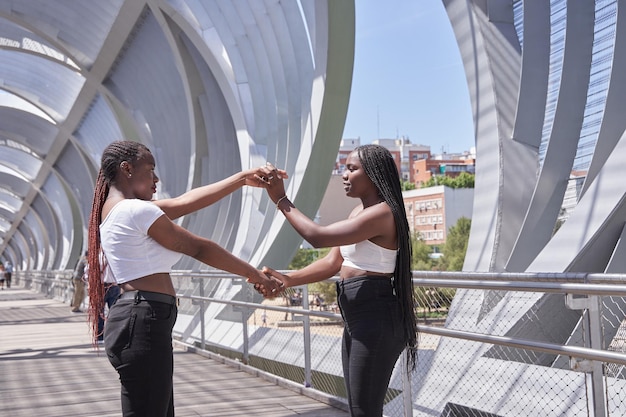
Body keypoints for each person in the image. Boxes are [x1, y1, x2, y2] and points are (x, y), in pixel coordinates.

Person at [86, 140, 283, 417]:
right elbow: (199, 247)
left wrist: (241, 179)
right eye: (150, 169)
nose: (157, 178)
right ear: (127, 169)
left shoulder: (117, 210)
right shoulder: (134, 211)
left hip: (138, 319)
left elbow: (184, 202)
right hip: (143, 321)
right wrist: (255, 275)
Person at [259, 144, 418, 417]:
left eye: (352, 168)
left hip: (377, 318)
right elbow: (333, 262)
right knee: (359, 408)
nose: (344, 175)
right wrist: (287, 279)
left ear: (373, 174)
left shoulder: (383, 213)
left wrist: (281, 200)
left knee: (364, 410)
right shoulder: (359, 213)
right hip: (359, 318)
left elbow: (318, 237)